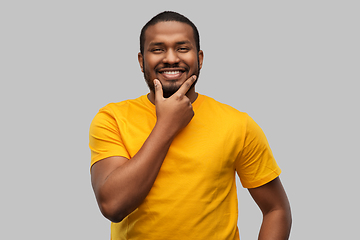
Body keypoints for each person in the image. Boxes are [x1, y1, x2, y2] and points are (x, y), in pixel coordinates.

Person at [89, 11, 292, 240]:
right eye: (157, 49)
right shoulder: (112, 118)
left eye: (182, 48)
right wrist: (166, 125)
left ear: (200, 58)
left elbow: (276, 209)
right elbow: (113, 205)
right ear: (141, 60)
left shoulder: (238, 124)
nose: (171, 58)